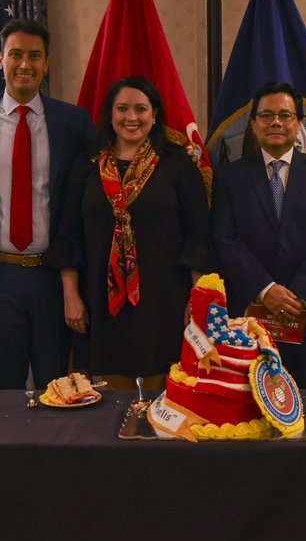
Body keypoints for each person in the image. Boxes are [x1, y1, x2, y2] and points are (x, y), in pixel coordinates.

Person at [0, 18, 96, 392]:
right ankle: (7, 453)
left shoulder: (73, 123)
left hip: (53, 276)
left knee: (57, 386)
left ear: (47, 63)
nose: (25, 64)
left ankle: (53, 454)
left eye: (35, 56)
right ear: (0, 59)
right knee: (5, 390)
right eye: (16, 54)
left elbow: (91, 196)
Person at [49, 76, 210, 388]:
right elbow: (68, 235)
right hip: (98, 302)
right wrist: (71, 295)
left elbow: (197, 237)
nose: (131, 118)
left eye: (141, 109)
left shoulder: (178, 165)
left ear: (155, 115)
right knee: (107, 404)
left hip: (164, 302)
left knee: (162, 399)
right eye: (122, 108)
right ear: (110, 114)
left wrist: (197, 299)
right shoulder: (85, 165)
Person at [211, 80, 306, 388]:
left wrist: (300, 294)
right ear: (254, 123)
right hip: (248, 321)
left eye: (285, 115)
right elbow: (225, 239)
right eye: (266, 115)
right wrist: (265, 288)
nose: (275, 122)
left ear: (299, 124)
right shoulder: (229, 177)